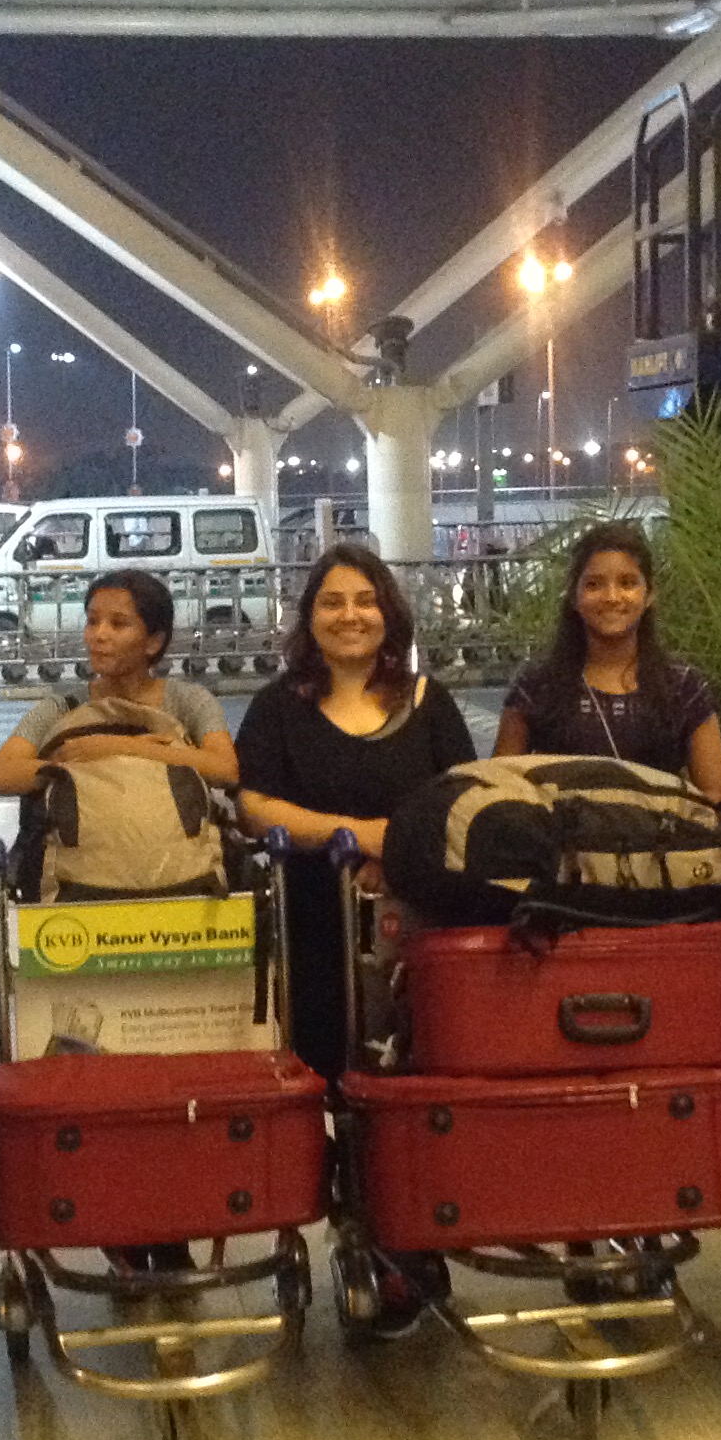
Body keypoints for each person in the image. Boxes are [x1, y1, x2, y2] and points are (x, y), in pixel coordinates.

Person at [236, 546, 476, 1334]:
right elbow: (253, 805)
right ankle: (345, 1219)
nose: (350, 616)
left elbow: (461, 802)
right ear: (309, 618)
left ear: (389, 613)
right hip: (314, 931)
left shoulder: (428, 702)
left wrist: (396, 851)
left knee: (411, 1082)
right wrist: (357, 833)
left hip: (416, 935)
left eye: (365, 600)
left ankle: (409, 1233)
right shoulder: (279, 708)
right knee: (329, 1077)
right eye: (332, 602)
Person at [492, 520, 721, 799]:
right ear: (573, 596)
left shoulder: (682, 686)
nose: (612, 597)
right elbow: (500, 787)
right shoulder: (536, 684)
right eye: (594, 585)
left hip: (663, 827)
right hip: (561, 827)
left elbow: (717, 791)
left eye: (627, 583)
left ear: (649, 594)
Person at [0, 570, 237, 796]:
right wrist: (71, 763)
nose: (99, 635)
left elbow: (225, 770)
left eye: (118, 624)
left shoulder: (188, 702)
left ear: (154, 642)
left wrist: (118, 748)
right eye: (92, 621)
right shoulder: (63, 707)